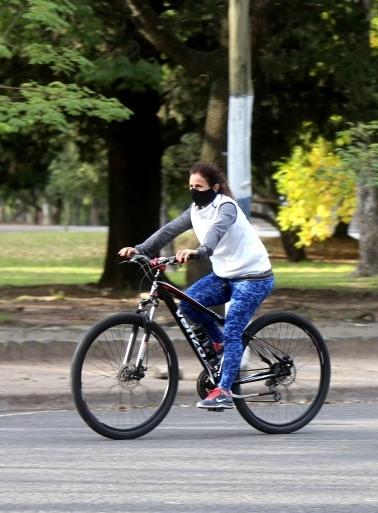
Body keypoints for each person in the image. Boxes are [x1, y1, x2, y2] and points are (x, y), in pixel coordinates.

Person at [118, 163, 275, 409]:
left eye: (199, 186)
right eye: (191, 186)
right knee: (189, 304)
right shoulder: (195, 210)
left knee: (234, 330)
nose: (194, 190)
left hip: (253, 277)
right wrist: (140, 249)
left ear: (215, 187)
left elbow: (216, 231)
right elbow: (169, 230)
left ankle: (224, 392)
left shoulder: (227, 207)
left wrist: (200, 251)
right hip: (226, 275)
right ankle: (220, 345)